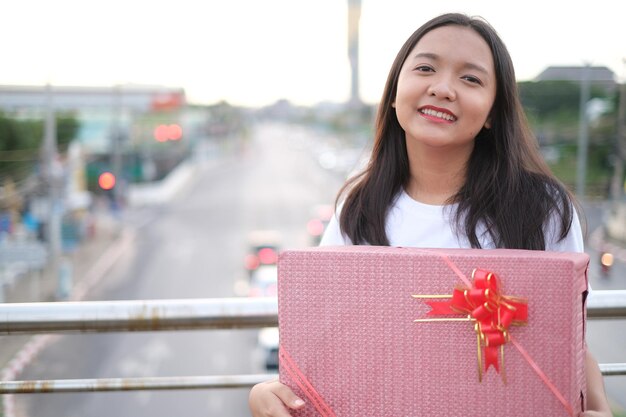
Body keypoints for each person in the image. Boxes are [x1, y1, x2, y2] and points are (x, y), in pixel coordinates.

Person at [249, 12, 612, 417]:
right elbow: (330, 344)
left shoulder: (543, 208)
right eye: (425, 68)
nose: (442, 89)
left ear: (494, 111)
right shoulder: (359, 205)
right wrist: (268, 393)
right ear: (393, 91)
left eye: (470, 79)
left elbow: (569, 345)